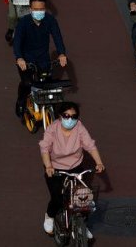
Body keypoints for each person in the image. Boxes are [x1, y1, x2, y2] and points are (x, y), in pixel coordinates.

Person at [39, 101, 105, 239]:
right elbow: (45, 149)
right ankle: (50, 216)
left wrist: (99, 162)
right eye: (66, 116)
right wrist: (49, 166)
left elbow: (90, 146)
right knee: (57, 198)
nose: (70, 119)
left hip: (75, 167)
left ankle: (81, 225)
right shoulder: (52, 129)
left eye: (74, 117)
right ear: (60, 116)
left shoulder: (79, 128)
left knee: (83, 199)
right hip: (56, 168)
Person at [13, 0, 67, 115]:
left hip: (43, 58)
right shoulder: (23, 23)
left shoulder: (50, 20)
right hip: (26, 59)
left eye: (41, 9)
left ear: (45, 8)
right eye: (36, 9)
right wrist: (19, 57)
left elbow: (58, 38)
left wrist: (61, 53)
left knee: (47, 84)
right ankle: (21, 102)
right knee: (27, 83)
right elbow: (17, 42)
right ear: (30, 9)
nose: (39, 12)